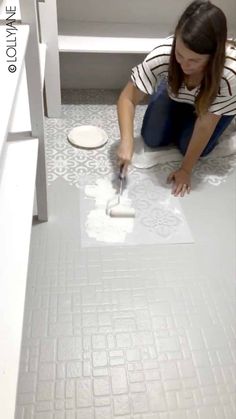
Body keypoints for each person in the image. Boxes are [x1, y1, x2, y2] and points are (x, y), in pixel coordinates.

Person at [117, 0, 236, 197]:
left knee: (191, 147)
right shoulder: (164, 53)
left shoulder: (230, 72)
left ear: (213, 56)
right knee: (152, 138)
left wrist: (186, 170)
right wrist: (126, 141)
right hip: (177, 93)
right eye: (180, 55)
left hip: (213, 107)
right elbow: (127, 98)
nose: (185, 65)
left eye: (195, 60)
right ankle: (172, 94)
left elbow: (205, 124)